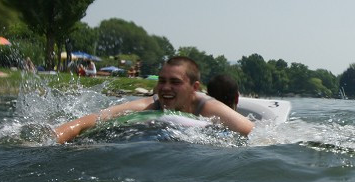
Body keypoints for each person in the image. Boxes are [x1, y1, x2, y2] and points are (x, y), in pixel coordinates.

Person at [53, 56, 254, 144]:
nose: (165, 87)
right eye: (162, 81)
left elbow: (248, 130)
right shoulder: (151, 104)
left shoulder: (207, 107)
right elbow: (95, 118)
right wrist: (60, 134)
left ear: (194, 88)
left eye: (175, 82)